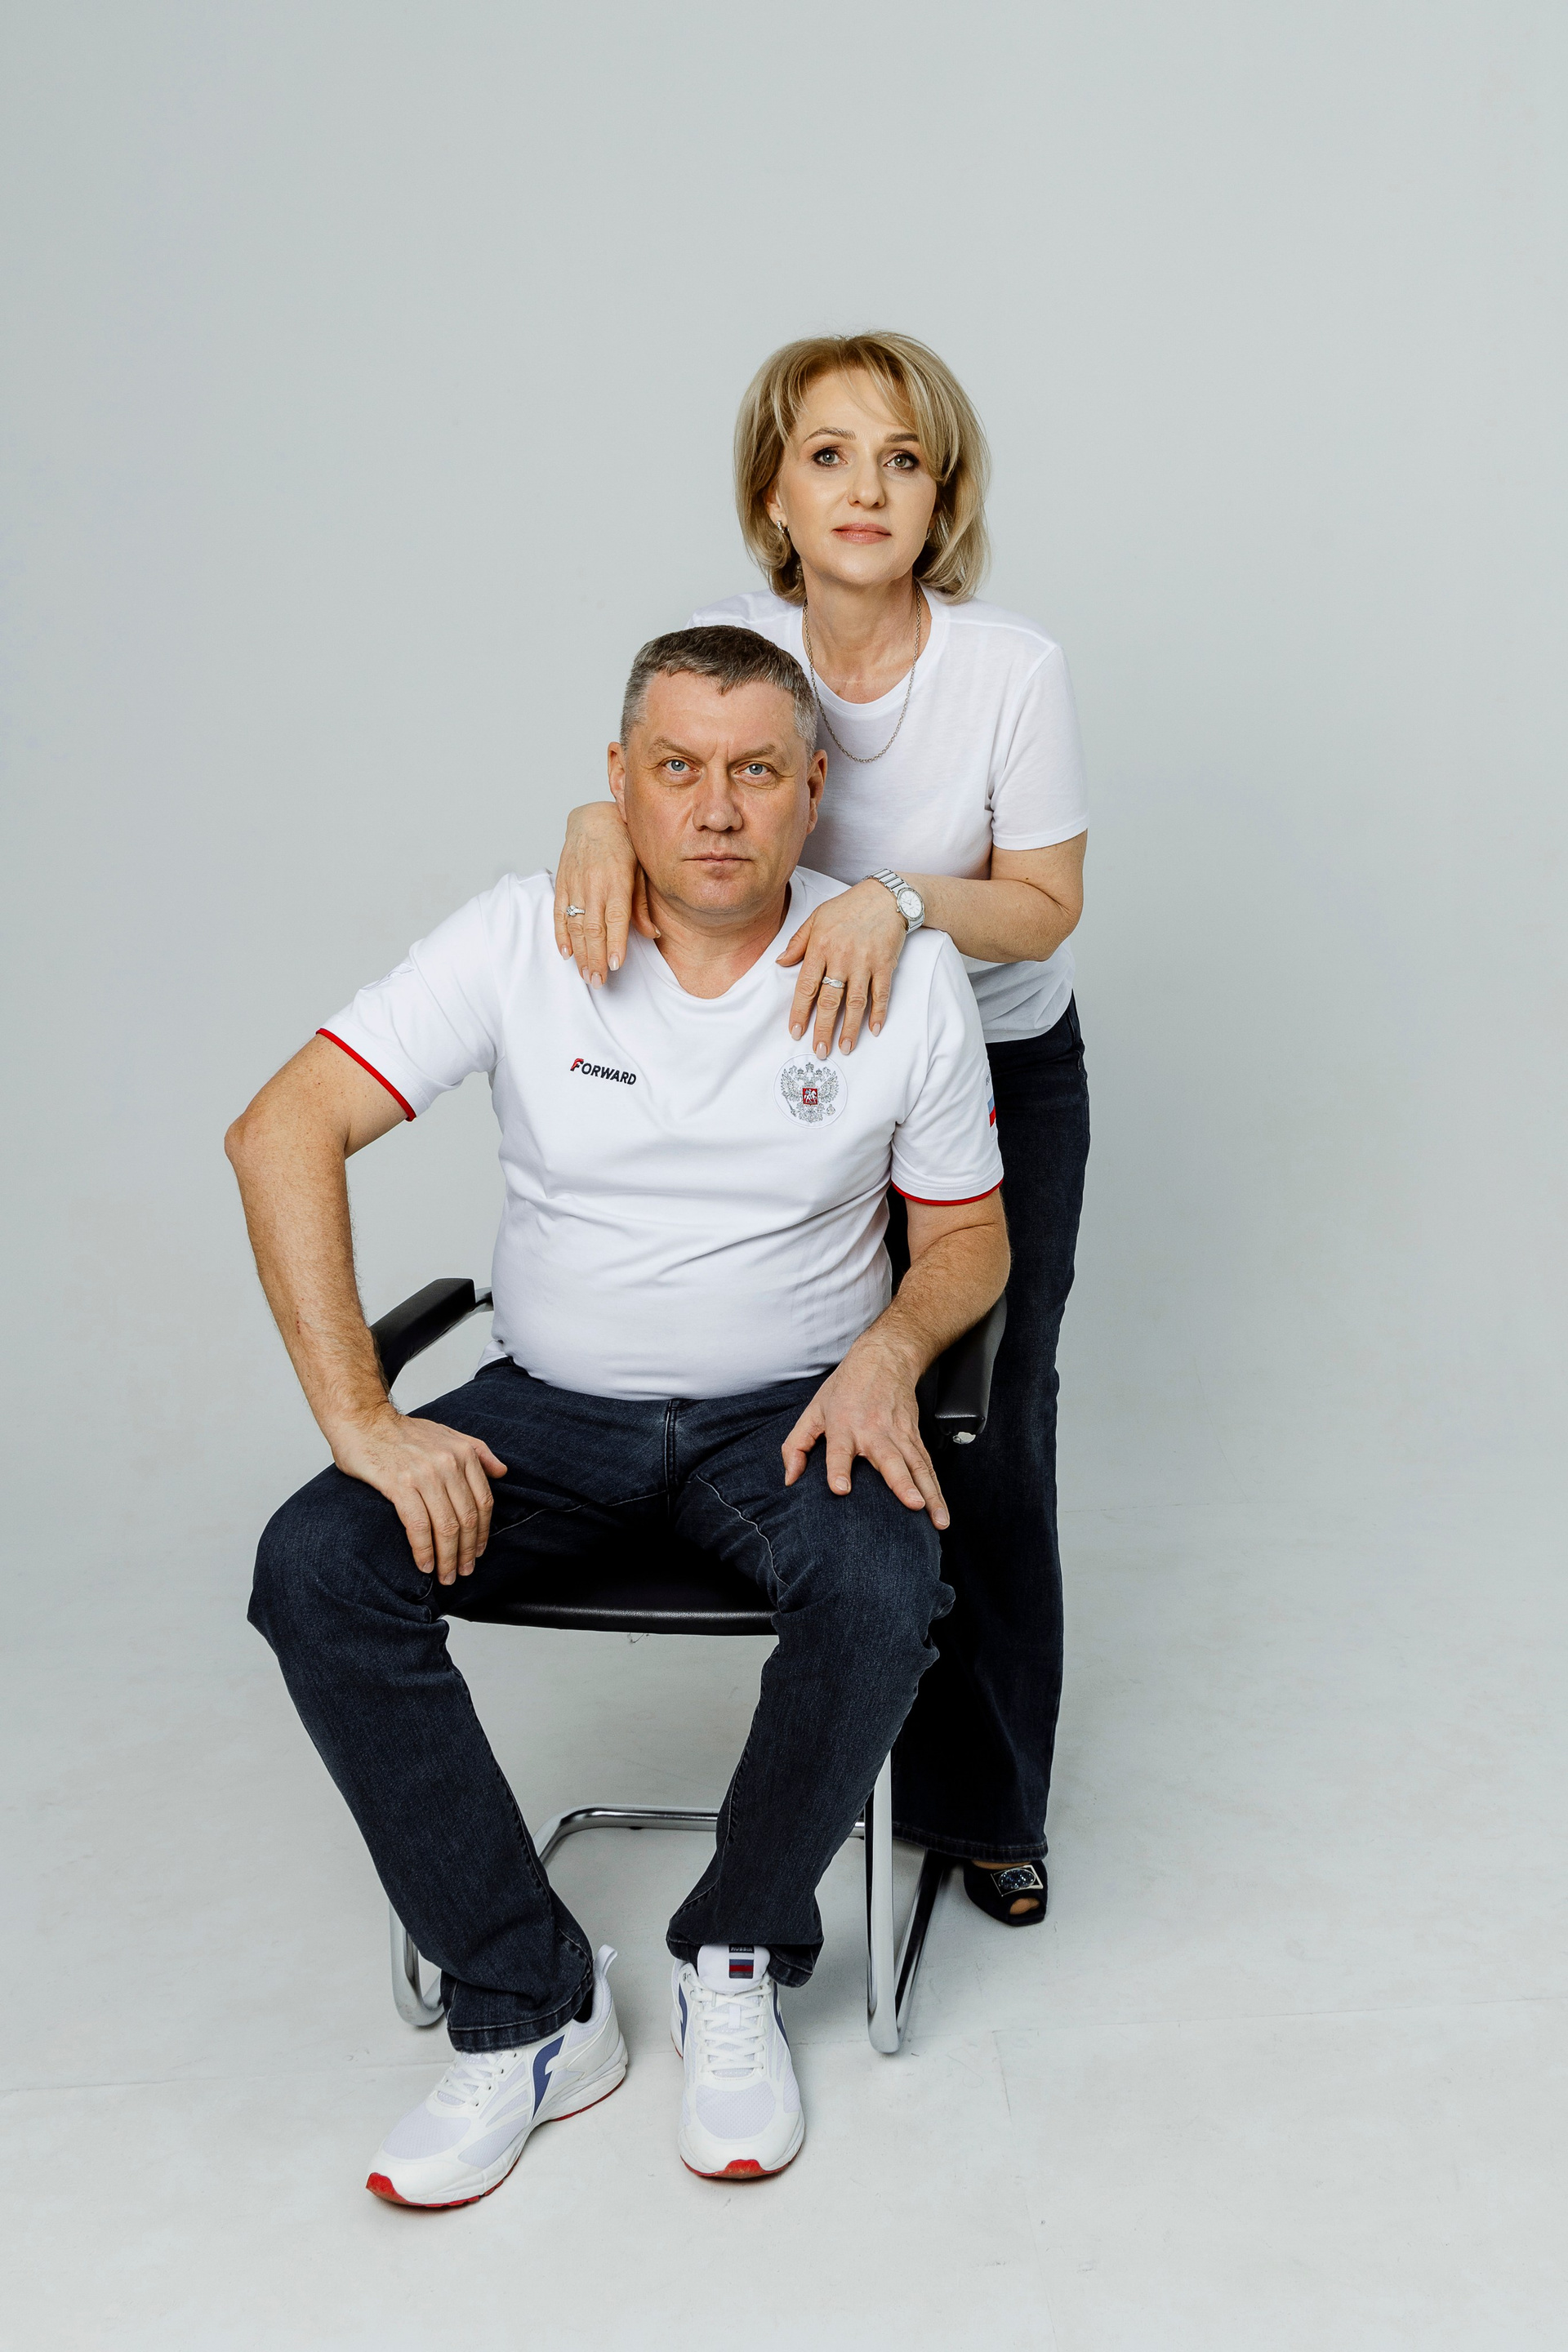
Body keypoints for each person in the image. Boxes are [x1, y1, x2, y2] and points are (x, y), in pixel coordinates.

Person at [226, 626, 1008, 2208]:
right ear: (620, 783)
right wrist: (363, 1418)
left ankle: (738, 1953)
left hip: (789, 1420)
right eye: (677, 768)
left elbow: (970, 1238)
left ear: (812, 791)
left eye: (755, 771)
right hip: (549, 1419)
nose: (716, 807)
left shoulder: (899, 973)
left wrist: (892, 1348)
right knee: (317, 1563)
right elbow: (282, 1128)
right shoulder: (525, 936)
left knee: (886, 1577)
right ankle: (529, 2008)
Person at [552, 333, 1089, 1923]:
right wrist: (591, 818)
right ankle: (836, 1755)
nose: (867, 488)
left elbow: (1045, 905)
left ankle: (988, 1807)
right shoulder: (741, 652)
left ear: (943, 493)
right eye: (831, 455)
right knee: (817, 1395)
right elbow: (676, 794)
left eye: (902, 458)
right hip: (805, 1069)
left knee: (986, 1425)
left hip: (998, 1067)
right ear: (774, 493)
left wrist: (898, 901)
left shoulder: (1011, 669)